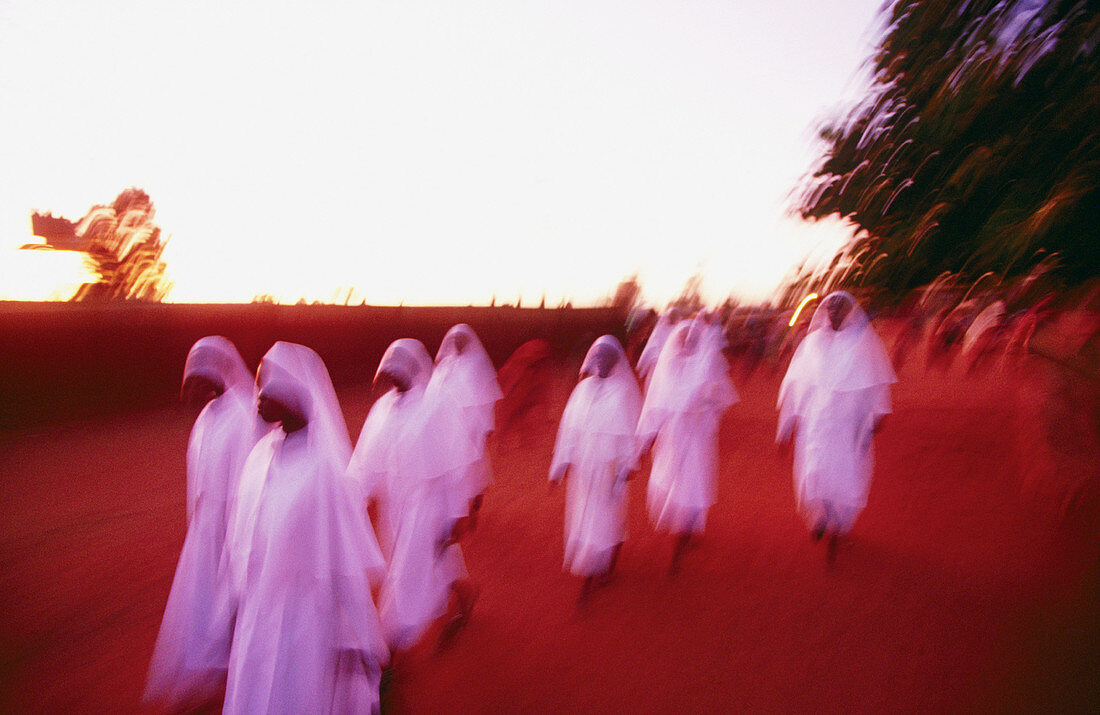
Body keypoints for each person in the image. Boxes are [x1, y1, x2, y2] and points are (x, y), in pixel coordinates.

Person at [222, 342, 389, 714]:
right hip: (258, 614)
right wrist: (236, 602)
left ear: (294, 392)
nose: (258, 397)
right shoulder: (259, 455)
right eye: (259, 386)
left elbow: (343, 561)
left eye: (268, 387)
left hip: (302, 621)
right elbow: (241, 539)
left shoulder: (322, 470)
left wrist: (364, 637)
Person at [144, 337, 268, 711]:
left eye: (198, 381)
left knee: (231, 614)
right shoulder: (206, 419)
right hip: (204, 534)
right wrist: (198, 532)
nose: (191, 389)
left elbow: (244, 491)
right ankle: (210, 686)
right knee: (204, 615)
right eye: (189, 381)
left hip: (232, 533)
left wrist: (234, 544)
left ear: (215, 374)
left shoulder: (243, 418)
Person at [348, 339, 478, 653]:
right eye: (389, 374)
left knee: (408, 573)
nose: (392, 379)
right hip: (396, 501)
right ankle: (466, 595)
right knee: (434, 560)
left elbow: (457, 464)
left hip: (429, 502)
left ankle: (391, 644)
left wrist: (456, 514)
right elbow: (367, 456)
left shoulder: (437, 404)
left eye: (398, 372)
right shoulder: (384, 407)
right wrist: (355, 496)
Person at [777, 291, 896, 561]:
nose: (834, 312)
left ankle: (837, 524)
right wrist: (787, 427)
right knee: (814, 469)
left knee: (844, 475)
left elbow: (876, 385)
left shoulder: (864, 342)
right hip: (817, 421)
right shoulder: (813, 343)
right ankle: (820, 517)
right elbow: (798, 386)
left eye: (840, 307)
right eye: (830, 307)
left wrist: (876, 417)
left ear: (850, 310)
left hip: (849, 424)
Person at [637, 316, 739, 574]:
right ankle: (686, 532)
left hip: (695, 444)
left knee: (689, 491)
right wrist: (641, 446)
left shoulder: (704, 371)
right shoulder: (666, 373)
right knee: (671, 490)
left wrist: (704, 405)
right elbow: (653, 412)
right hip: (670, 444)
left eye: (690, 341)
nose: (685, 345)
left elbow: (717, 402)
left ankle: (677, 553)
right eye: (681, 341)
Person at [550, 336, 642, 602]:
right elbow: (569, 429)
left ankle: (591, 577)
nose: (600, 363)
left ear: (615, 363)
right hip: (583, 469)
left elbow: (627, 435)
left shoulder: (623, 392)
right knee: (589, 516)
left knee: (604, 517)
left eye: (606, 359)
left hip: (610, 469)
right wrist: (561, 464)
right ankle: (600, 562)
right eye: (597, 358)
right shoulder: (582, 390)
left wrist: (627, 465)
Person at [429, 324, 502, 529]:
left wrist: (487, 426)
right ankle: (452, 511)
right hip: (448, 428)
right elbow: (433, 396)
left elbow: (487, 398)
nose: (458, 343)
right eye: (455, 340)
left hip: (472, 427)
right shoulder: (445, 366)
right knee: (451, 469)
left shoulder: (477, 363)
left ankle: (474, 508)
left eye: (462, 340)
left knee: (473, 469)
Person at [636, 307, 683, 392]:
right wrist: (643, 364)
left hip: (667, 366)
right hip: (659, 364)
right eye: (672, 316)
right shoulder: (662, 329)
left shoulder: (677, 330)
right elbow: (651, 347)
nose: (672, 318)